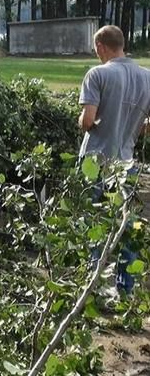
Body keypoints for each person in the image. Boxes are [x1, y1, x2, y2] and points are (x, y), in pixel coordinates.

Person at [78, 24, 150, 292]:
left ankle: (92, 286)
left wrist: (84, 121)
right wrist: (134, 126)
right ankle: (125, 288)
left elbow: (88, 121)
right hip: (126, 162)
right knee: (124, 224)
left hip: (95, 161)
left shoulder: (97, 74)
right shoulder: (147, 77)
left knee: (92, 221)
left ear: (100, 46)